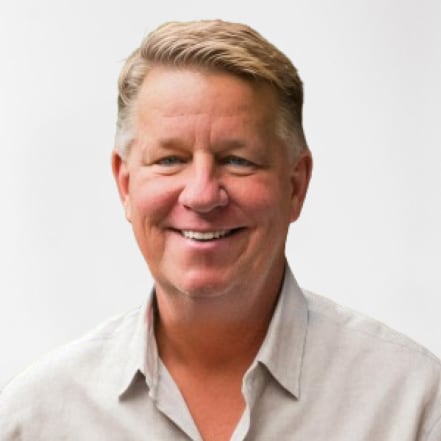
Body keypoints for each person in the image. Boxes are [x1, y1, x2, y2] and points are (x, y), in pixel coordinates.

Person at [1, 19, 440, 441]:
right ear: (125, 184)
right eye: (170, 160)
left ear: (295, 185)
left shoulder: (412, 405)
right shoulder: (34, 419)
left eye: (238, 160)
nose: (202, 194)